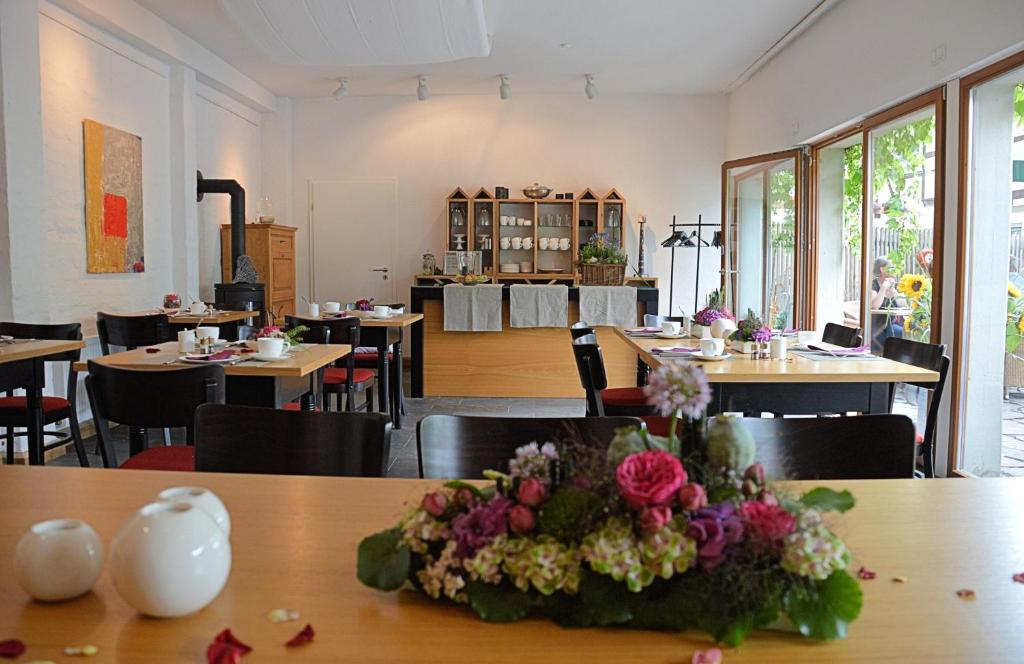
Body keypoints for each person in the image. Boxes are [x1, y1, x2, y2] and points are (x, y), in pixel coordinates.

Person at [870, 257, 904, 352]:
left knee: (911, 331)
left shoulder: (894, 285)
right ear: (882, 269)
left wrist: (894, 291)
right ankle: (894, 355)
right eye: (892, 267)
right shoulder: (873, 285)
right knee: (901, 332)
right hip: (878, 328)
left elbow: (903, 305)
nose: (895, 271)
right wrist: (883, 288)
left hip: (894, 324)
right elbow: (875, 306)